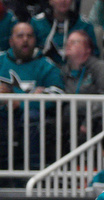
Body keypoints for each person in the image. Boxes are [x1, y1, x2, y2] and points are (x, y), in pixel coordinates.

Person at [0, 21, 63, 171]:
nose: (25, 40)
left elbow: (58, 93)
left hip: (32, 118)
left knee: (32, 116)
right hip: (2, 116)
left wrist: (17, 102)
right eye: (20, 36)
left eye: (29, 36)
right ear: (11, 40)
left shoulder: (46, 64)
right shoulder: (1, 60)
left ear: (35, 40)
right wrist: (30, 97)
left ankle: (32, 172)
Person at [30, 0, 97, 66]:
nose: (63, 1)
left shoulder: (85, 25)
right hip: (43, 71)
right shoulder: (37, 23)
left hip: (77, 72)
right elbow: (29, 53)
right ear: (50, 1)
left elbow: (94, 55)